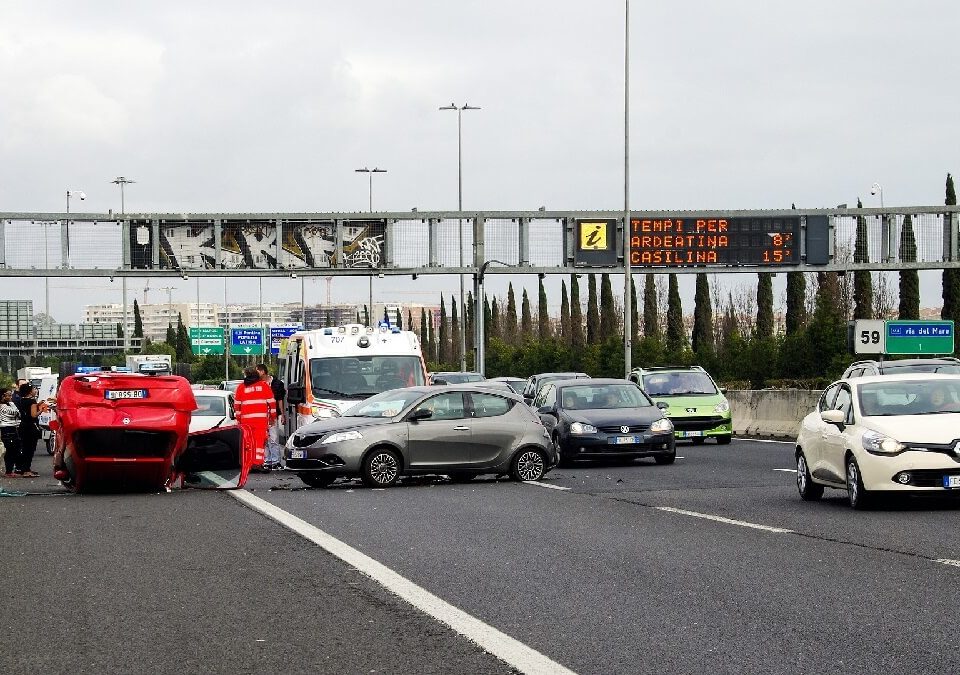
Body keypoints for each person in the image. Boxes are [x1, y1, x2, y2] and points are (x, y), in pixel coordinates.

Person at [235, 366, 277, 471]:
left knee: (249, 443)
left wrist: (239, 419)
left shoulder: (241, 387)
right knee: (259, 443)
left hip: (246, 421)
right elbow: (272, 403)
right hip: (260, 421)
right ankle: (257, 464)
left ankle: (248, 464)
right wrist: (273, 417)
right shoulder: (263, 386)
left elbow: (237, 406)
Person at [256, 363, 286, 470]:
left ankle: (276, 460)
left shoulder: (277, 384)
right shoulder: (258, 384)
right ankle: (267, 460)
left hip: (273, 415)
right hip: (261, 416)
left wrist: (282, 414)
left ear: (263, 371)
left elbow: (280, 400)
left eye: (257, 371)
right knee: (265, 439)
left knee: (274, 438)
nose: (256, 373)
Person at [14, 384, 42, 477]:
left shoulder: (21, 400)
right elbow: (33, 415)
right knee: (30, 449)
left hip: (22, 426)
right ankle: (26, 470)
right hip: (31, 427)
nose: (35, 390)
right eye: (33, 389)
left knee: (25, 448)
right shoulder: (32, 401)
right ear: (30, 391)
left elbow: (26, 411)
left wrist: (37, 405)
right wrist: (40, 410)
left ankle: (24, 468)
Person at [0, 388, 23, 478]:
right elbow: (14, 412)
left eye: (11, 395)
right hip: (6, 429)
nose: (10, 397)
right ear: (3, 396)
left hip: (13, 428)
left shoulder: (10, 404)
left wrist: (12, 404)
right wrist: (13, 406)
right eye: (8, 395)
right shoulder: (2, 406)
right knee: (10, 450)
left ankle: (12, 469)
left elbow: (18, 413)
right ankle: (8, 470)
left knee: (15, 449)